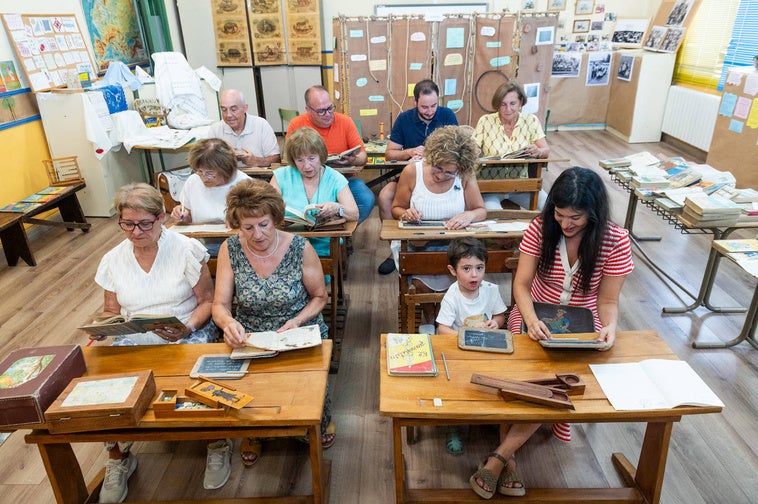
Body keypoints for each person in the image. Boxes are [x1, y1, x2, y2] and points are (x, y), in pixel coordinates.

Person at [469, 167, 634, 499]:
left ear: (595, 213)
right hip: (536, 315)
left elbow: (608, 301)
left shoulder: (615, 240)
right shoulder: (540, 228)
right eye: (559, 214)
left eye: (575, 217)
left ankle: (501, 457)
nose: (566, 224)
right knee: (522, 379)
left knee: (563, 381)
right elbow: (522, 285)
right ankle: (509, 459)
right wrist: (529, 320)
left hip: (581, 324)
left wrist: (611, 328)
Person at [92, 183, 218, 502]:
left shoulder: (186, 248)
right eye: (127, 224)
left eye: (144, 223)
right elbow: (110, 311)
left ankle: (217, 441)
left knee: (199, 370)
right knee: (106, 383)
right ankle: (118, 457)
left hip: (186, 328)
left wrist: (187, 328)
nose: (135, 232)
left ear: (161, 217)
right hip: (137, 335)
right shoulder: (113, 258)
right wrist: (102, 327)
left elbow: (207, 301)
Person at [212, 179, 336, 468]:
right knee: (247, 388)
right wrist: (228, 323)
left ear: (276, 219)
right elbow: (219, 304)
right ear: (238, 225)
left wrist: (298, 320)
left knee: (306, 390)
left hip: (297, 329)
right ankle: (255, 431)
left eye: (264, 224)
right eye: (248, 227)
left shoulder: (300, 247)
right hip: (251, 334)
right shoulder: (229, 249)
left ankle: (310, 420)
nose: (257, 234)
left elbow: (320, 297)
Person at [391, 125, 487, 324]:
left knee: (460, 269)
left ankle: (442, 315)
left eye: (449, 172)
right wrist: (407, 214)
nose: (440, 175)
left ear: (460, 168)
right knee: (419, 270)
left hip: (454, 247)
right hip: (419, 244)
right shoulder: (412, 171)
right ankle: (431, 315)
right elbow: (396, 208)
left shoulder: (465, 175)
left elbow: (481, 210)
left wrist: (468, 215)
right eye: (437, 167)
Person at [377, 79, 458, 275]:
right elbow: (390, 154)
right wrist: (410, 152)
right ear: (415, 102)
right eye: (424, 106)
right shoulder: (404, 119)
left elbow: (458, 149)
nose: (430, 111)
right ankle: (395, 247)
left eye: (433, 105)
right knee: (385, 196)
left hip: (442, 176)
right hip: (409, 177)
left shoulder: (447, 115)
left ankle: (446, 245)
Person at [435, 237, 507, 457]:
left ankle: (487, 417)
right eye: (466, 268)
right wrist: (465, 337)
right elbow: (442, 329)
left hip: (486, 351)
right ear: (453, 270)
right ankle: (453, 426)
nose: (474, 275)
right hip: (460, 352)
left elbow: (500, 315)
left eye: (479, 267)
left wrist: (496, 323)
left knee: (494, 380)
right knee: (456, 386)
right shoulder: (452, 296)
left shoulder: (491, 290)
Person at [287, 85, 375, 224]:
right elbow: (290, 159)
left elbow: (363, 157)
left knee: (366, 198)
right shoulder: (297, 124)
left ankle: (340, 233)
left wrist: (353, 160)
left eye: (330, 108)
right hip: (306, 181)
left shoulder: (345, 121)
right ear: (308, 110)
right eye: (321, 111)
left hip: (343, 180)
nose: (328, 114)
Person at [271, 126, 359, 257]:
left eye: (312, 158)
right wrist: (278, 216)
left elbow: (354, 214)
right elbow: (265, 211)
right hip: (286, 245)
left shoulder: (334, 178)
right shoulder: (280, 176)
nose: (306, 166)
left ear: (321, 155)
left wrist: (337, 208)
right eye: (299, 160)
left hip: (325, 246)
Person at [473, 81, 550, 211]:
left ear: (521, 103)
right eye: (503, 104)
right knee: (494, 220)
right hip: (490, 187)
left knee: (550, 209)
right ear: (497, 105)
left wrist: (538, 151)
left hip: (521, 186)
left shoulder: (530, 121)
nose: (508, 109)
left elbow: (546, 150)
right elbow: (473, 148)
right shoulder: (485, 121)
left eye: (512, 104)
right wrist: (474, 151)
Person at [170, 138, 250, 225]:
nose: (204, 178)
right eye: (199, 171)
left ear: (225, 169)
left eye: (209, 173)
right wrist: (182, 216)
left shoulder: (245, 185)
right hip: (199, 235)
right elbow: (188, 216)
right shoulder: (192, 181)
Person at [207, 89, 281, 168]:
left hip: (258, 177)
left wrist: (256, 161)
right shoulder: (215, 129)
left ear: (245, 108)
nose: (228, 115)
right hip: (226, 178)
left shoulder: (261, 125)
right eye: (224, 110)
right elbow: (206, 161)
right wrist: (223, 154)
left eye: (233, 109)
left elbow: (276, 159)